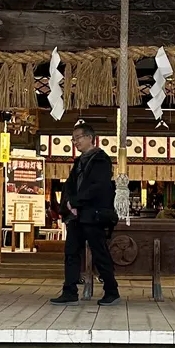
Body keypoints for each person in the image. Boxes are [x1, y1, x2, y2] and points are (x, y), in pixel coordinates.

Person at [51, 121, 120, 306]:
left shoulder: (100, 160)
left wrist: (75, 201)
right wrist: (67, 203)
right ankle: (69, 290)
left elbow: (98, 187)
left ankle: (111, 291)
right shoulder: (78, 161)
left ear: (90, 137)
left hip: (93, 213)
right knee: (71, 252)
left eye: (78, 138)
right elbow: (70, 185)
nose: (75, 142)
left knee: (99, 252)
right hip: (76, 215)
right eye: (73, 139)